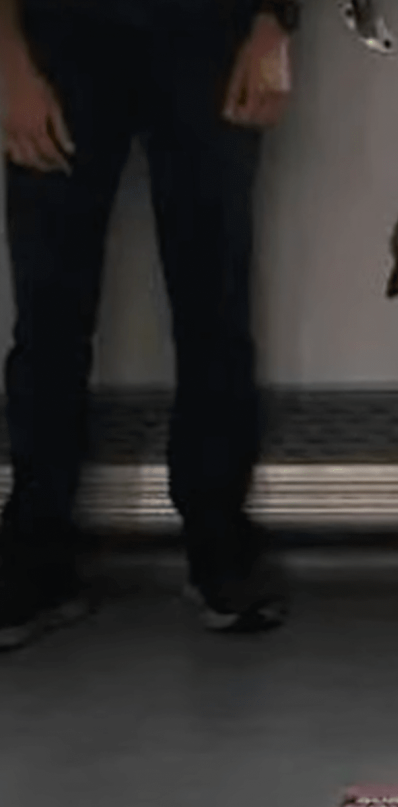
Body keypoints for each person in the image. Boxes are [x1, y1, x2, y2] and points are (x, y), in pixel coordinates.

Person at [0, 0, 303, 650]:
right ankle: (34, 550)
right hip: (59, 34)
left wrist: (275, 22)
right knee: (49, 310)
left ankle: (219, 540)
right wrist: (9, 59)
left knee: (214, 300)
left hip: (211, 31)